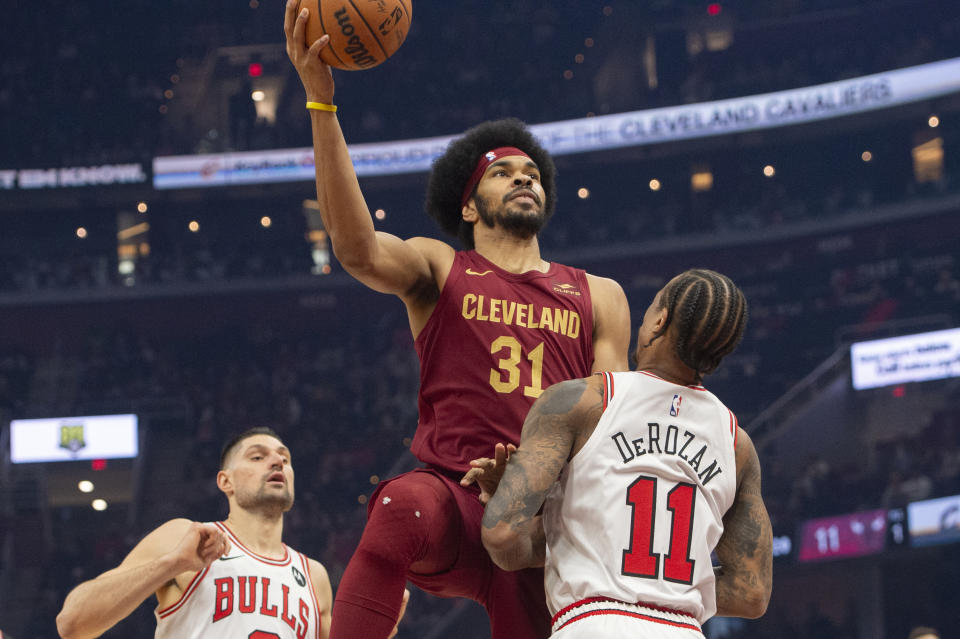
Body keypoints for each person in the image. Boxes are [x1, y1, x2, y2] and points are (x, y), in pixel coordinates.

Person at [284, 3, 632, 638]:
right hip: (454, 498)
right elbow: (356, 248)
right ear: (470, 204)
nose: (523, 179)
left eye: (531, 174)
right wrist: (322, 105)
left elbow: (611, 425)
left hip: (543, 519)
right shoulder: (442, 268)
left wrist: (535, 481)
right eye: (502, 173)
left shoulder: (599, 295)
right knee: (397, 506)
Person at [472, 269, 773, 637]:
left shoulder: (581, 402)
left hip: (593, 624)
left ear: (658, 321)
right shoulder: (736, 443)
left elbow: (504, 540)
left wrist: (504, 501)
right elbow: (751, 593)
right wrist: (669, 585)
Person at [56, 427, 405, 639]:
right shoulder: (184, 537)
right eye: (257, 457)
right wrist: (172, 562)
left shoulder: (314, 576)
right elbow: (72, 623)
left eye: (284, 458)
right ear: (226, 481)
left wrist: (379, 633)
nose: (277, 462)